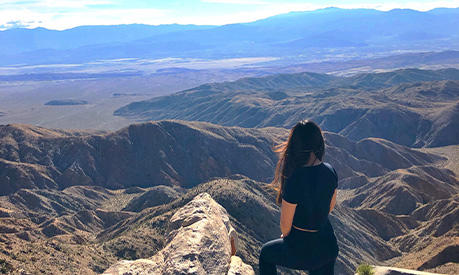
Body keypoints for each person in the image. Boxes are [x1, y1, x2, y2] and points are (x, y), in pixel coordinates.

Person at [259, 120, 339, 275]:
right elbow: (329, 207)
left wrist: (287, 236)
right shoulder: (330, 171)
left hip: (303, 250)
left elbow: (285, 226)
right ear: (319, 144)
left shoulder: (295, 179)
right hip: (328, 245)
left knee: (265, 254)